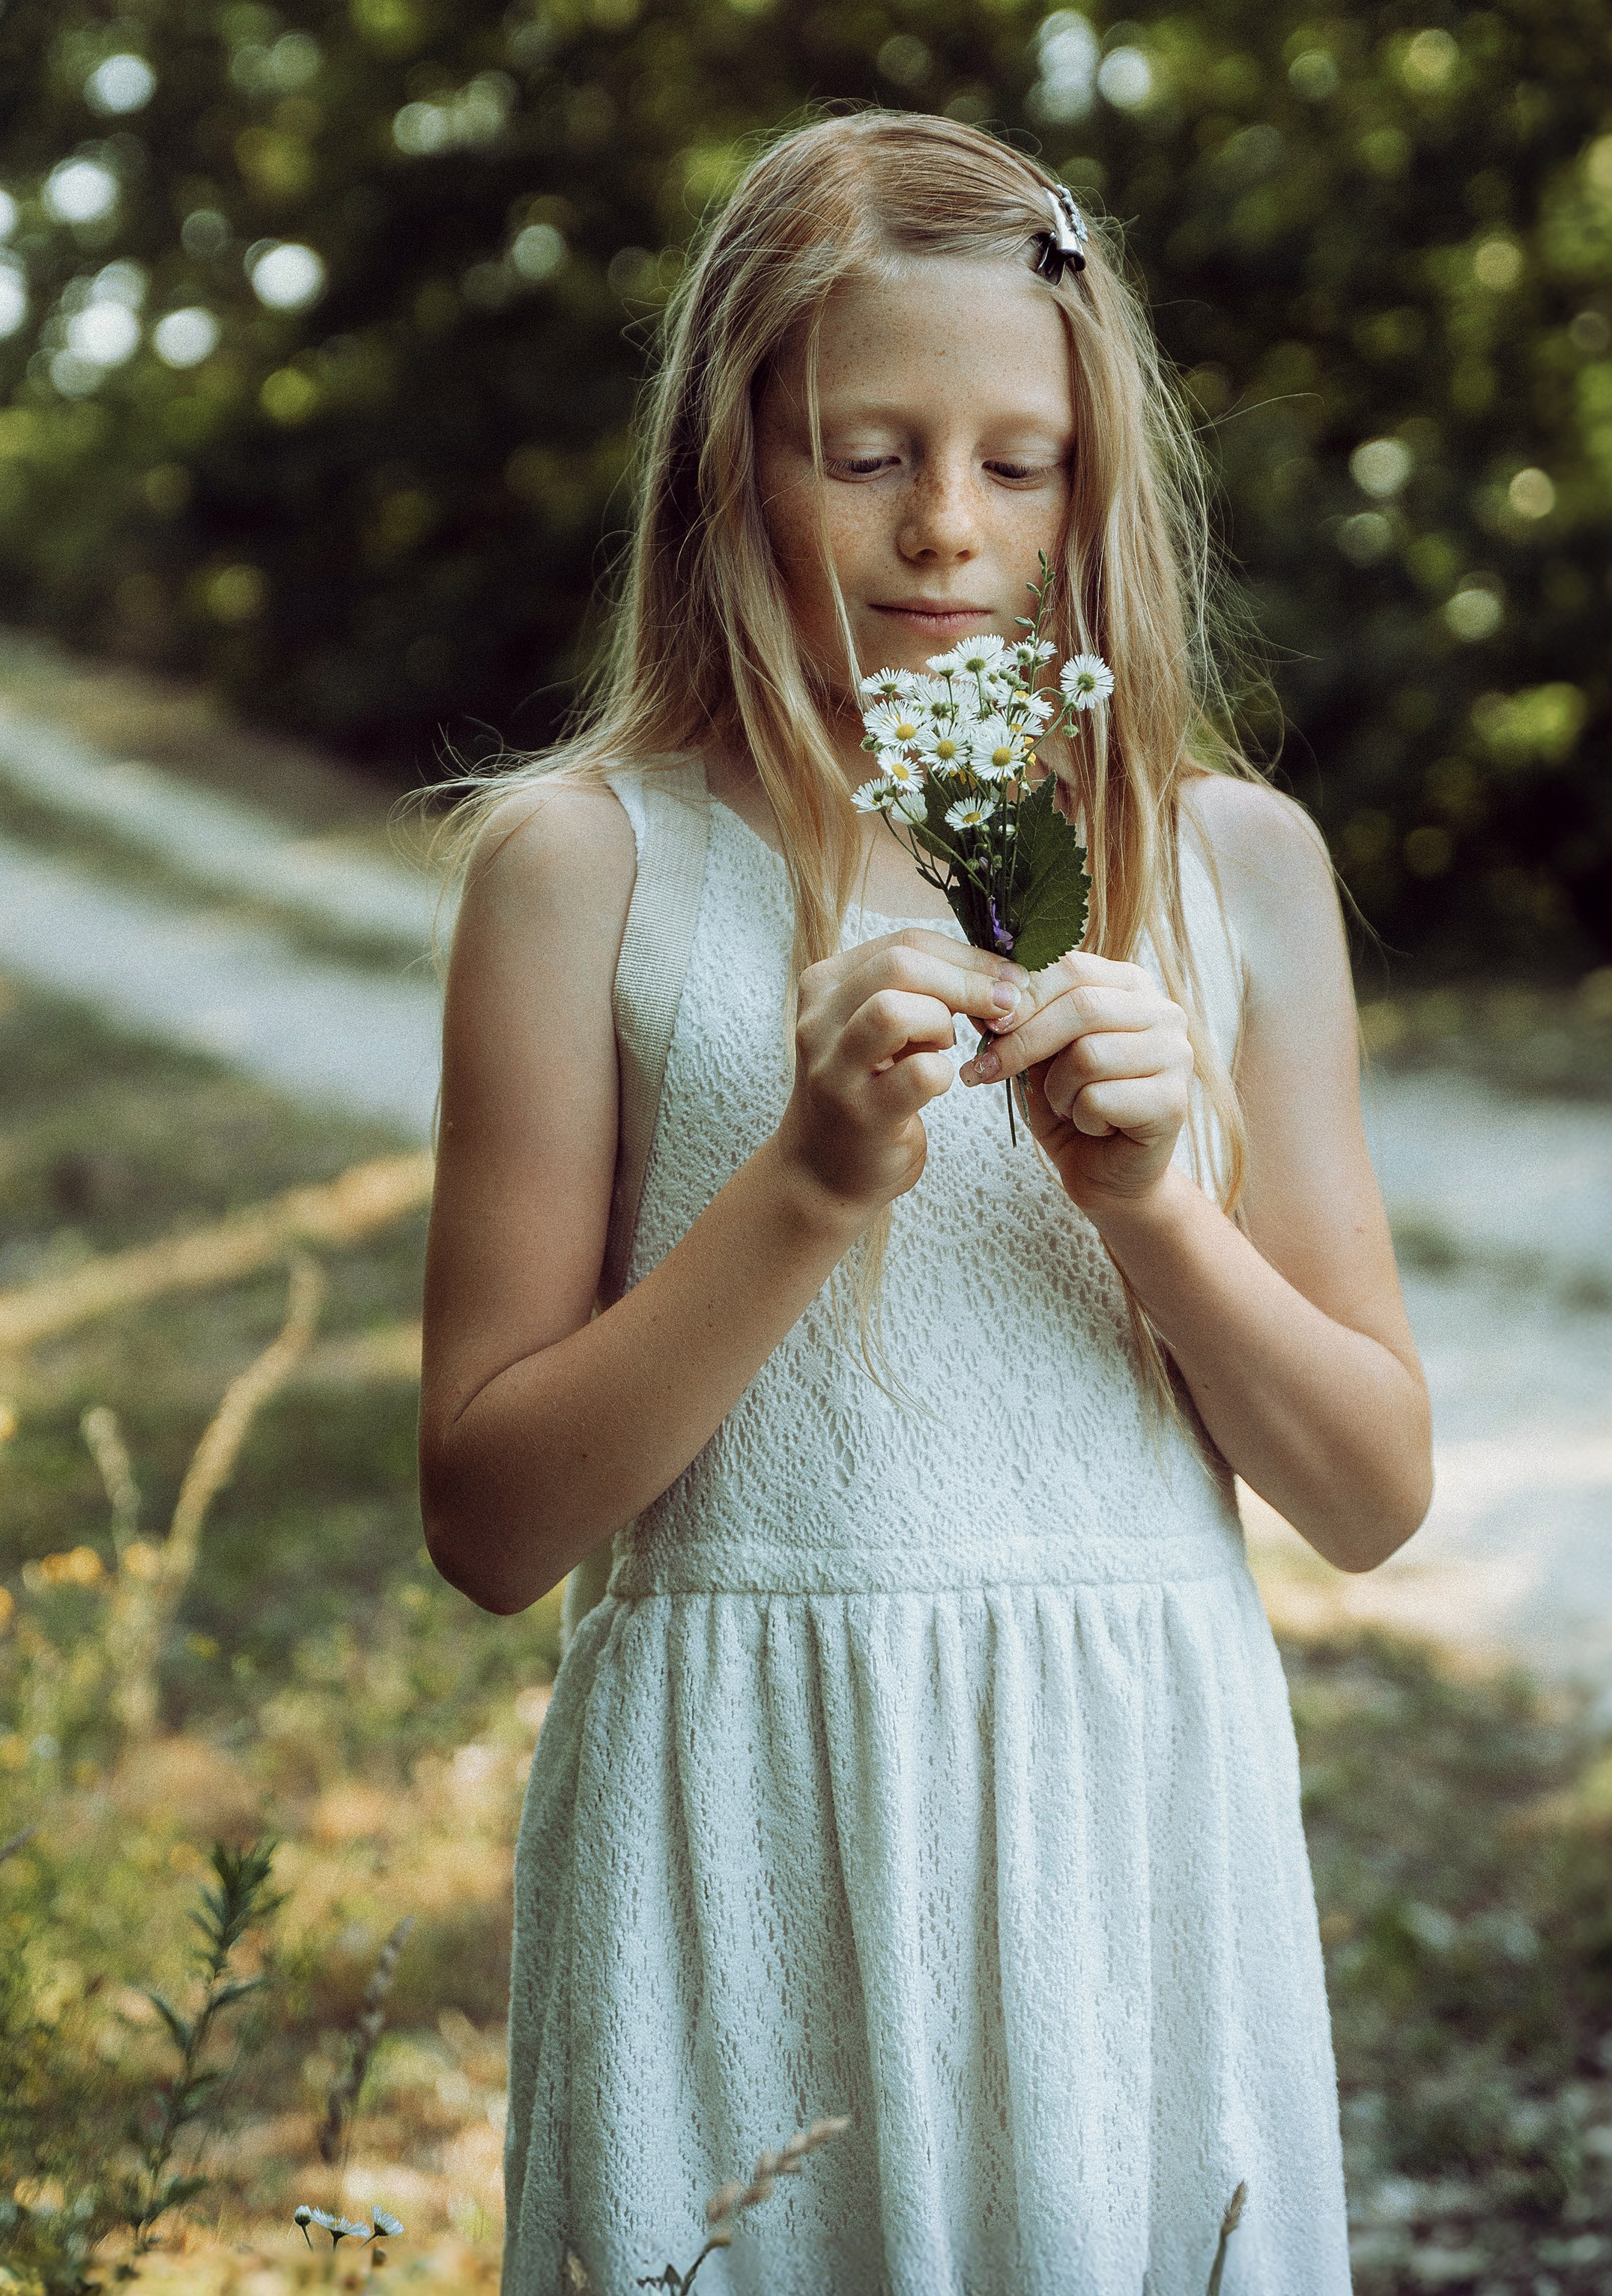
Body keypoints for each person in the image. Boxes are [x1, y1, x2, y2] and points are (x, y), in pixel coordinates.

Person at [418, 112, 1431, 2295]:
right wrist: (805, 1181)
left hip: (1127, 1800)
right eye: (865, 453)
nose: (946, 528)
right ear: (730, 463)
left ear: (1097, 477)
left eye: (1020, 461)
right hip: (738, 1809)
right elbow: (493, 1525)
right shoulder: (582, 868)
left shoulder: (1230, 867)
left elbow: (1366, 1490)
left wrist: (1157, 1209)